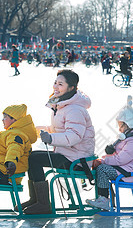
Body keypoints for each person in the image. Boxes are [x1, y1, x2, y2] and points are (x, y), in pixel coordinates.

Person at [22, 69, 95, 214]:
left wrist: (51, 139)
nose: (56, 87)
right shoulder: (61, 106)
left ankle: (42, 203)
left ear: (71, 87)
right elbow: (57, 130)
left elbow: (74, 136)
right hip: (67, 154)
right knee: (31, 155)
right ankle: (36, 199)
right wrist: (34, 131)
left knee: (35, 159)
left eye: (60, 84)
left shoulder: (74, 109)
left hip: (77, 159)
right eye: (55, 83)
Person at [87, 96, 133, 210]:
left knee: (102, 169)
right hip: (127, 168)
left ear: (128, 124)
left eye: (120, 125)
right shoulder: (131, 136)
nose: (119, 129)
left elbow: (121, 159)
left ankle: (104, 200)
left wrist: (103, 160)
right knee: (101, 168)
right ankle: (106, 198)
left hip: (132, 172)